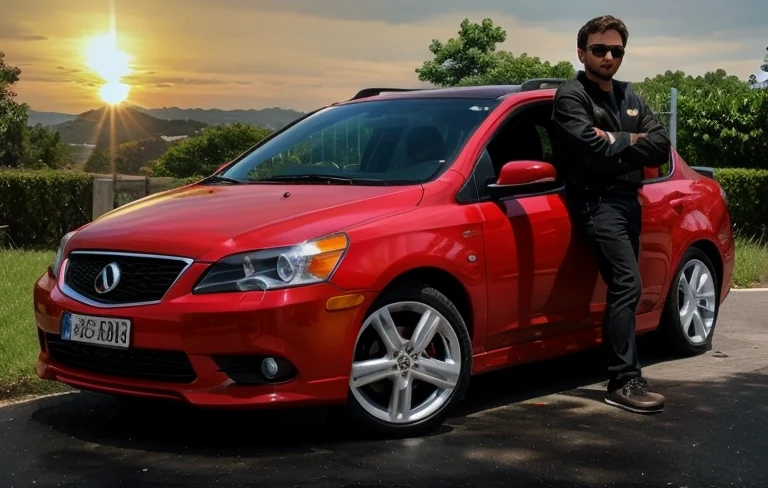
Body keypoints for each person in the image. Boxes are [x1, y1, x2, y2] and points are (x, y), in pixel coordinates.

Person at [551, 15, 671, 414]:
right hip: (596, 202)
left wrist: (616, 141)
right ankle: (623, 380)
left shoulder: (628, 95)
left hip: (628, 201)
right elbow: (590, 150)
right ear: (581, 52)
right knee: (627, 283)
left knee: (626, 285)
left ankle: (622, 372)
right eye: (599, 49)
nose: (608, 57)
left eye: (616, 51)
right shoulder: (571, 96)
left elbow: (660, 147)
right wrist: (628, 141)